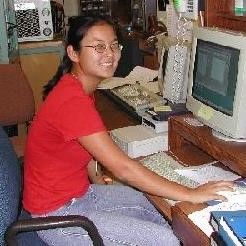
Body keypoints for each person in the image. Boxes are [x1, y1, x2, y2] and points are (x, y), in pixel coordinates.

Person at [23, 15, 233, 246]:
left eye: (114, 45)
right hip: (58, 217)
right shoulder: (71, 100)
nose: (110, 54)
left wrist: (98, 180)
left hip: (80, 194)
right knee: (164, 239)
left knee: (158, 211)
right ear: (73, 53)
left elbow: (87, 149)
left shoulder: (79, 87)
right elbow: (122, 169)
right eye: (99, 47)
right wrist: (191, 193)